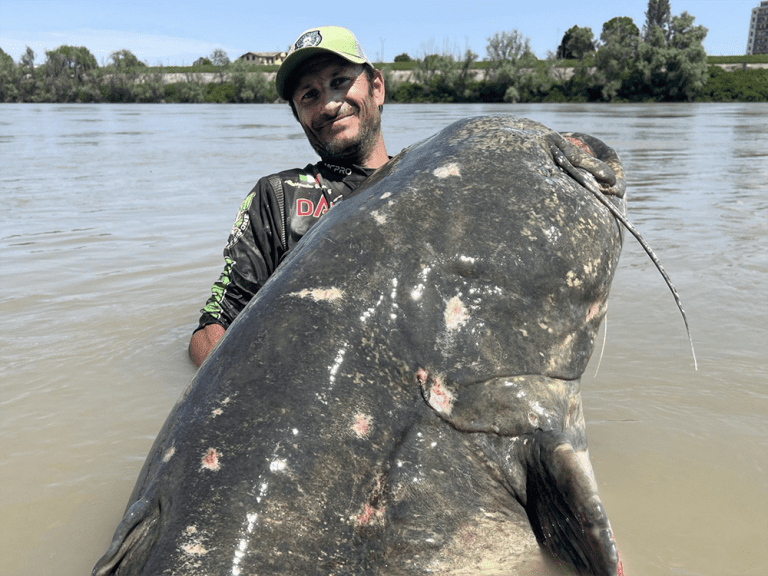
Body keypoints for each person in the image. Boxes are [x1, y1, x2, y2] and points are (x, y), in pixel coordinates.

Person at [189, 26, 389, 367]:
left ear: (377, 87)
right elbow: (212, 327)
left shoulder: (432, 177)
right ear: (298, 116)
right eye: (308, 95)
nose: (328, 104)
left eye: (339, 81)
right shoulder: (277, 198)